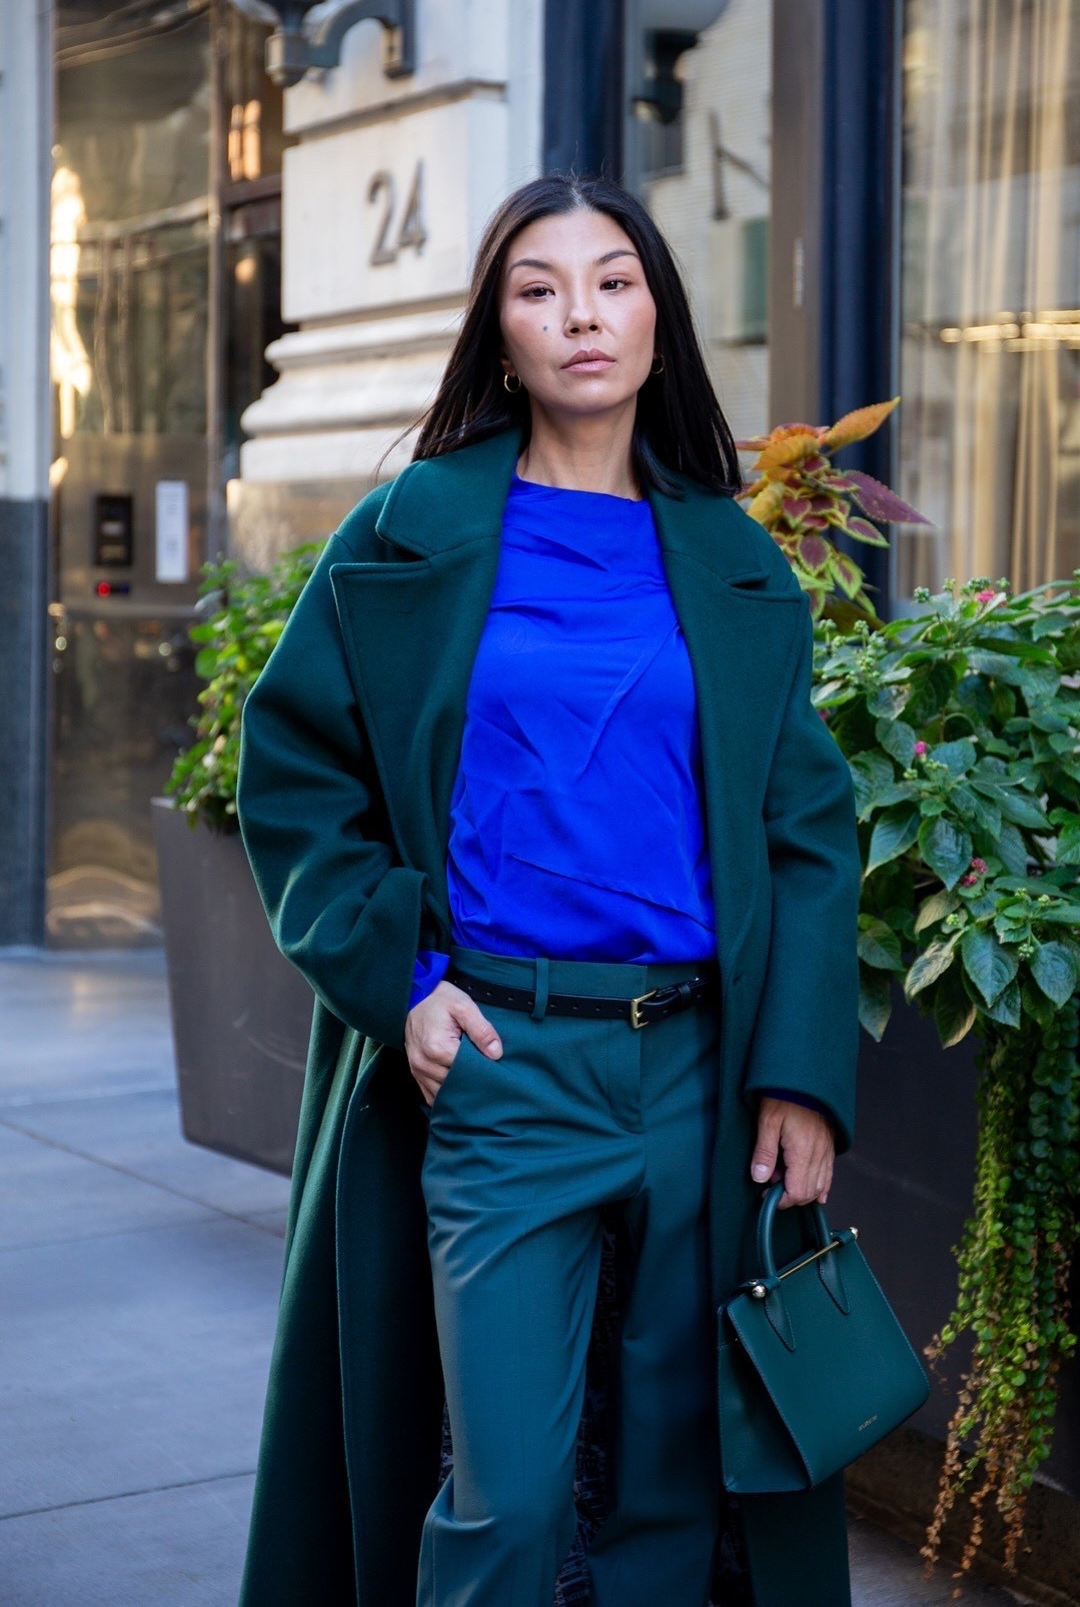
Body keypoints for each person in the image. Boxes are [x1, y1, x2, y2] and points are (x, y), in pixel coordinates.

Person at [233, 171, 863, 1607]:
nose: (581, 314)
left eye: (613, 282)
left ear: (657, 319)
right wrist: (400, 987)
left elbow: (806, 831)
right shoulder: (410, 529)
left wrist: (801, 1076)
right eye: (539, 289)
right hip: (502, 1064)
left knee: (668, 1496)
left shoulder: (731, 556)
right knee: (506, 1502)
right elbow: (297, 777)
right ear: (500, 335)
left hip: (698, 1072)